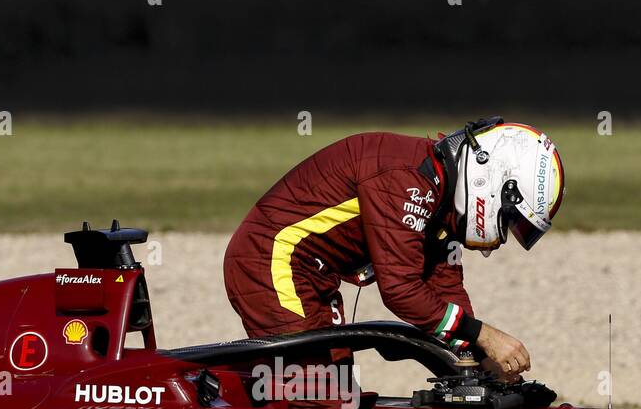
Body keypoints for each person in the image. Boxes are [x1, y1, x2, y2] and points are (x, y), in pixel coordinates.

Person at [223, 117, 564, 380]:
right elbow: (400, 290)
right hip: (271, 262)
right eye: (511, 221)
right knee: (314, 396)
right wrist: (484, 336)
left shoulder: (441, 195)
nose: (505, 233)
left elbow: (444, 286)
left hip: (313, 278)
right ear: (494, 183)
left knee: (339, 391)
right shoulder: (407, 181)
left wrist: (477, 357)